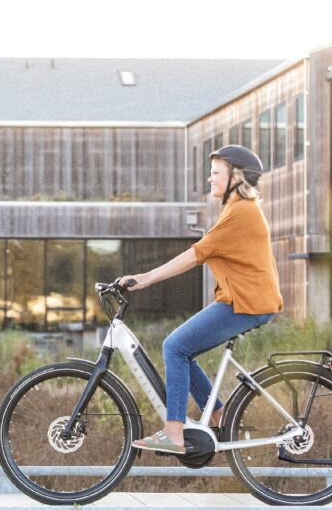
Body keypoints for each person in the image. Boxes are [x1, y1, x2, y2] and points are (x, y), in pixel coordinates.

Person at [119, 145, 282, 454]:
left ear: (235, 177)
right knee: (182, 349)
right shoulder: (237, 210)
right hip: (244, 301)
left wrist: (146, 278)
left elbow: (196, 255)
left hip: (247, 304)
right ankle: (219, 415)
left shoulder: (241, 213)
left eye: (215, 173)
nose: (209, 179)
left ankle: (174, 432)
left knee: (175, 347)